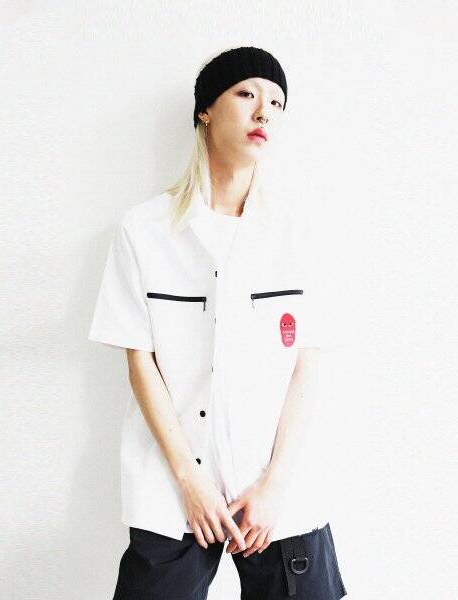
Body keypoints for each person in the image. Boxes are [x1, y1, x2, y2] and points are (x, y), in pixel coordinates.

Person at [88, 46, 347, 600]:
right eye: (247, 93)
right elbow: (140, 362)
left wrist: (274, 485)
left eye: (276, 102)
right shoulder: (144, 231)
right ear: (205, 110)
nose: (263, 112)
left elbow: (307, 365)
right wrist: (190, 481)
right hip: (172, 486)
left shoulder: (299, 234)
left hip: (277, 492)